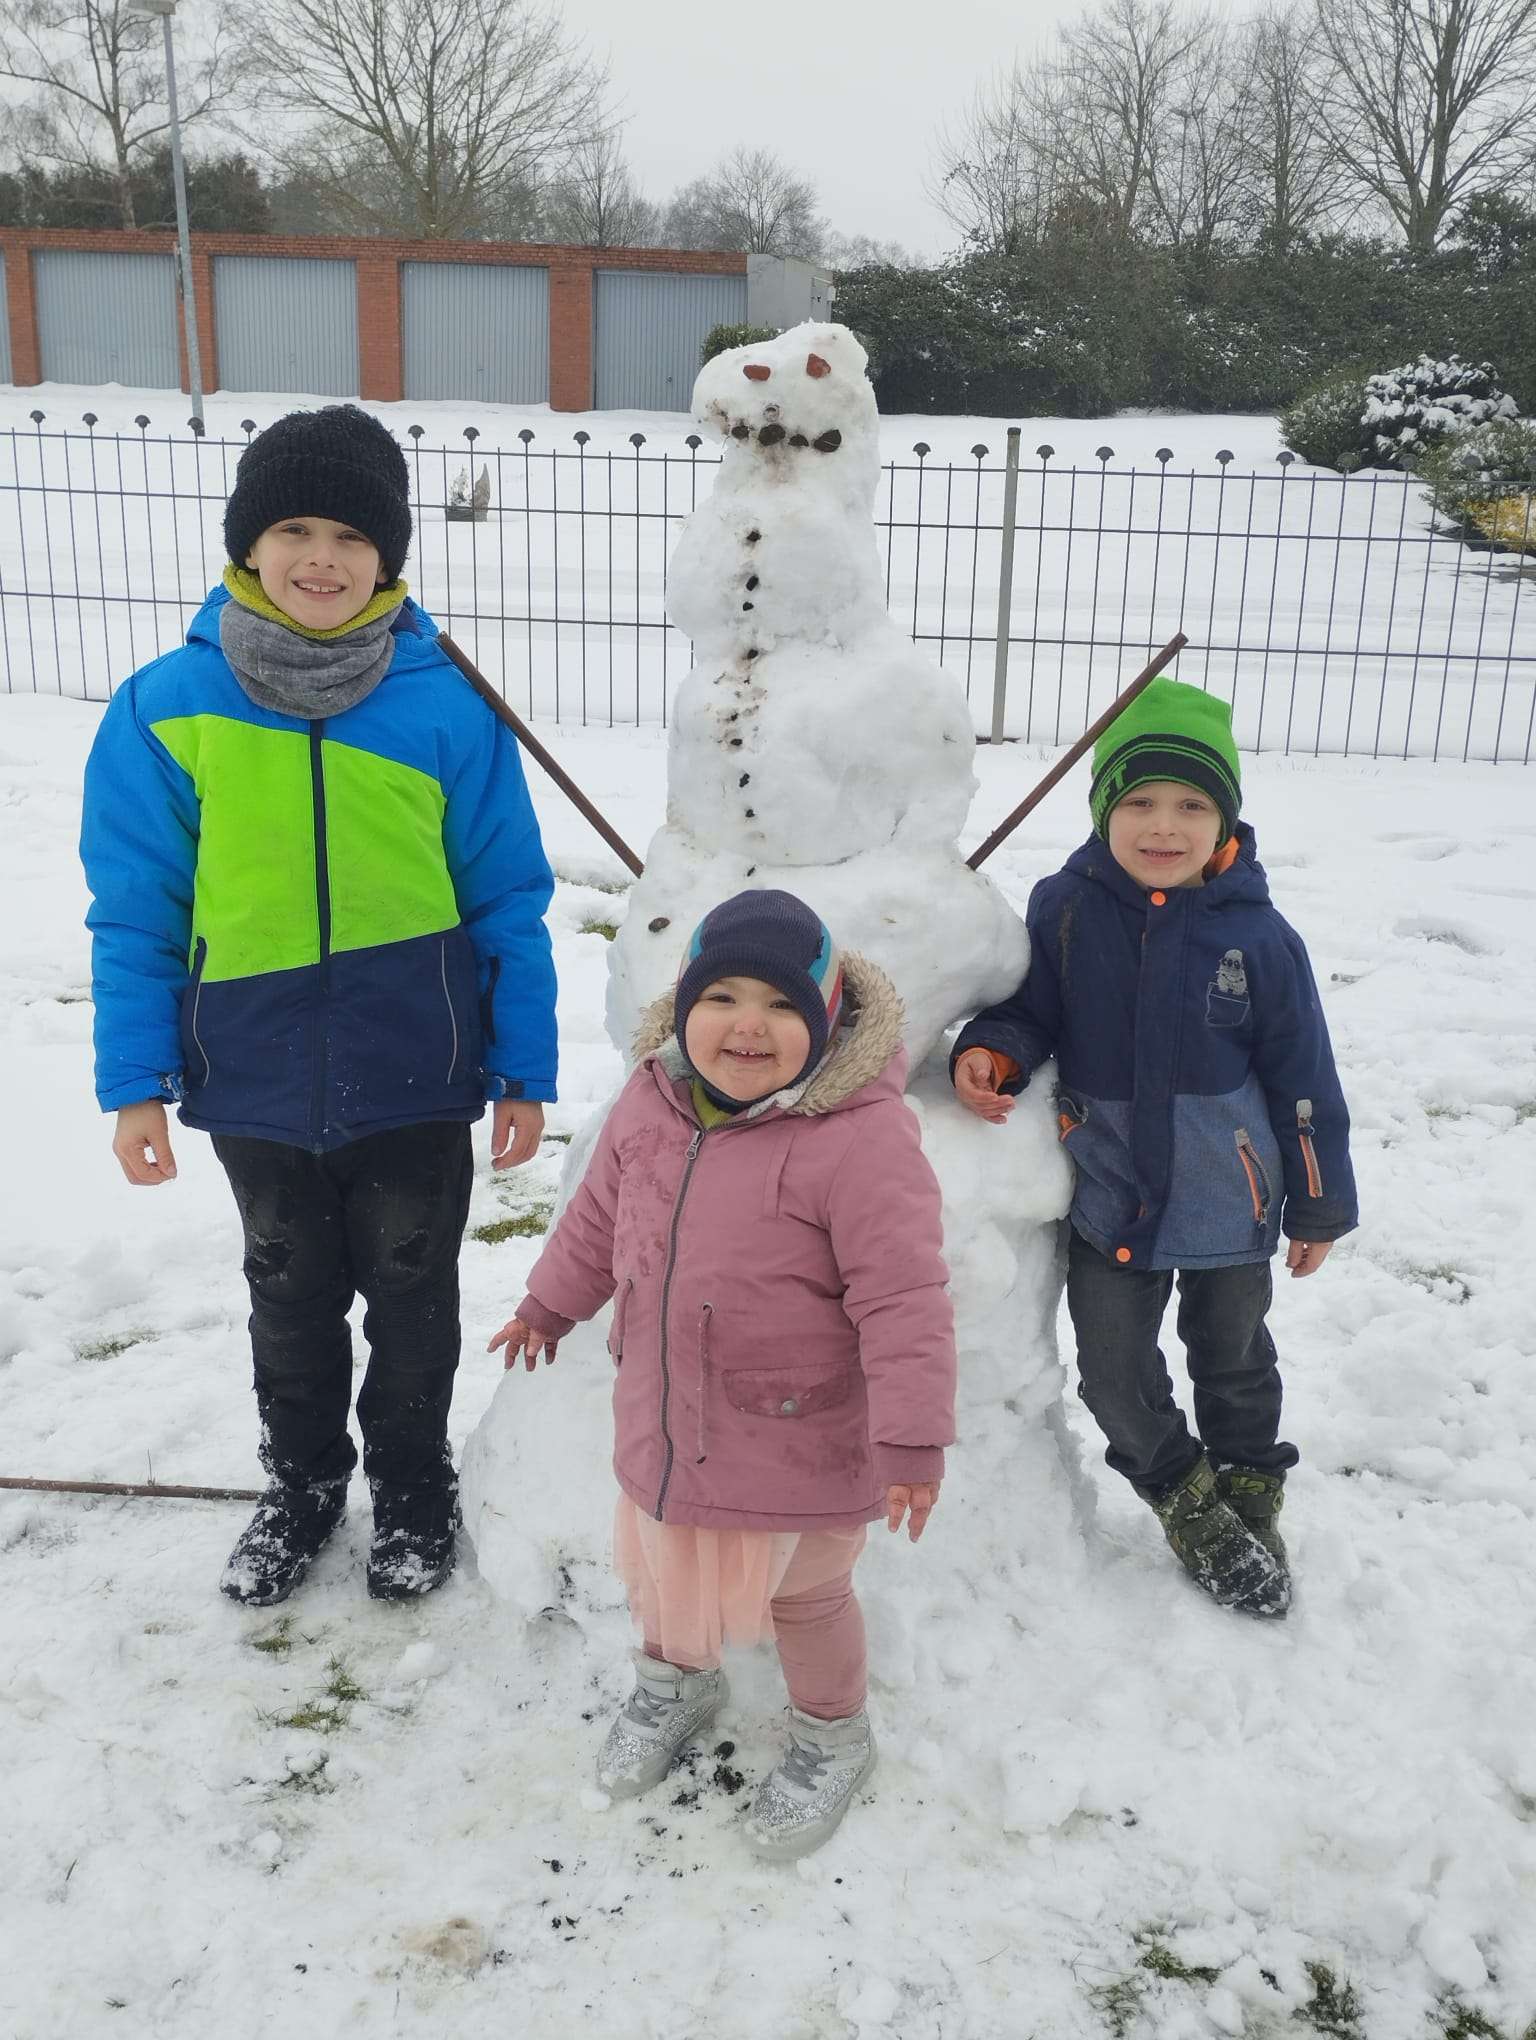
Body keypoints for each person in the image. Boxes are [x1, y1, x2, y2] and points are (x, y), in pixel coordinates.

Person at [80, 404, 557, 1608]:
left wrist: (521, 1062)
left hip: (417, 1062)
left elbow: (507, 895)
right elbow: (135, 908)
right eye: (293, 527)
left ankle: (411, 1484)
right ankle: (299, 1485)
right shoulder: (165, 707)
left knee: (412, 1292)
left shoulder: (448, 706)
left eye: (352, 534)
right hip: (253, 1071)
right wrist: (134, 1078)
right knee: (288, 1295)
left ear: (391, 555)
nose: (322, 557)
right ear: (247, 542)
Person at [489, 890, 955, 1860]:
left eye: (784, 1006)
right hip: (668, 1418)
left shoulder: (859, 1140)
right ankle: (676, 1679)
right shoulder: (647, 1102)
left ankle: (833, 1735)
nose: (750, 1026)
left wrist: (912, 1435)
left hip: (801, 1436)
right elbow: (594, 1221)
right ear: (685, 1006)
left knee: (807, 1597)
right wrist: (549, 1304)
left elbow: (903, 1296)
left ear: (826, 1024)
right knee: (664, 1570)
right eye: (725, 997)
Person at [952, 678, 1356, 1617]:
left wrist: (1320, 1200)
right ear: (1103, 811)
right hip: (1113, 1193)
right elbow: (1032, 1008)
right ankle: (1182, 1494)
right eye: (1137, 801)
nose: (1162, 826)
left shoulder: (1258, 938)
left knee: (1234, 1355)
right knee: (1113, 1370)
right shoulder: (1066, 906)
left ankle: (1250, 1480)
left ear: (1225, 820)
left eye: (1190, 804)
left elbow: (1306, 1081)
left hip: (1230, 1199)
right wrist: (994, 1049)